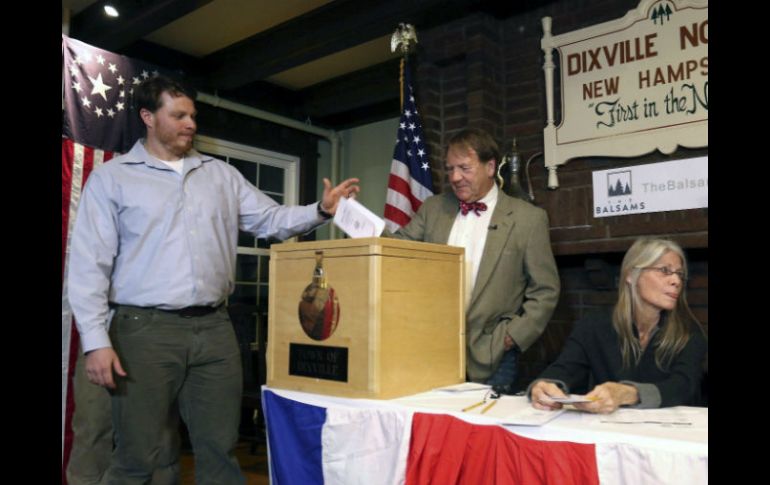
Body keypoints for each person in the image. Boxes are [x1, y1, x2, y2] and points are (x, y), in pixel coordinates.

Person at [67, 75, 359, 484]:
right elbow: (88, 265)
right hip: (143, 331)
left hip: (215, 329)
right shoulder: (113, 179)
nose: (190, 124)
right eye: (179, 115)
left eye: (193, 115)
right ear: (148, 117)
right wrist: (97, 341)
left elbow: (270, 220)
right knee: (138, 455)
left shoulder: (220, 176)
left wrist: (321, 210)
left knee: (220, 450)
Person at [391, 128, 560, 390]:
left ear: (490, 166)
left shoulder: (528, 219)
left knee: (484, 427)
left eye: (464, 168)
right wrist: (349, 214)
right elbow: (395, 250)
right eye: (450, 169)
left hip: (494, 354)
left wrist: (512, 337)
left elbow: (546, 290)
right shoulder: (433, 208)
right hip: (433, 349)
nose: (455, 177)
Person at [529, 237, 707, 413]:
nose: (676, 281)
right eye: (664, 270)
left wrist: (629, 393)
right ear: (631, 275)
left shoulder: (689, 331)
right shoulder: (594, 324)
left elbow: (683, 386)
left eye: (680, 274)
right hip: (609, 431)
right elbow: (564, 369)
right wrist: (543, 387)